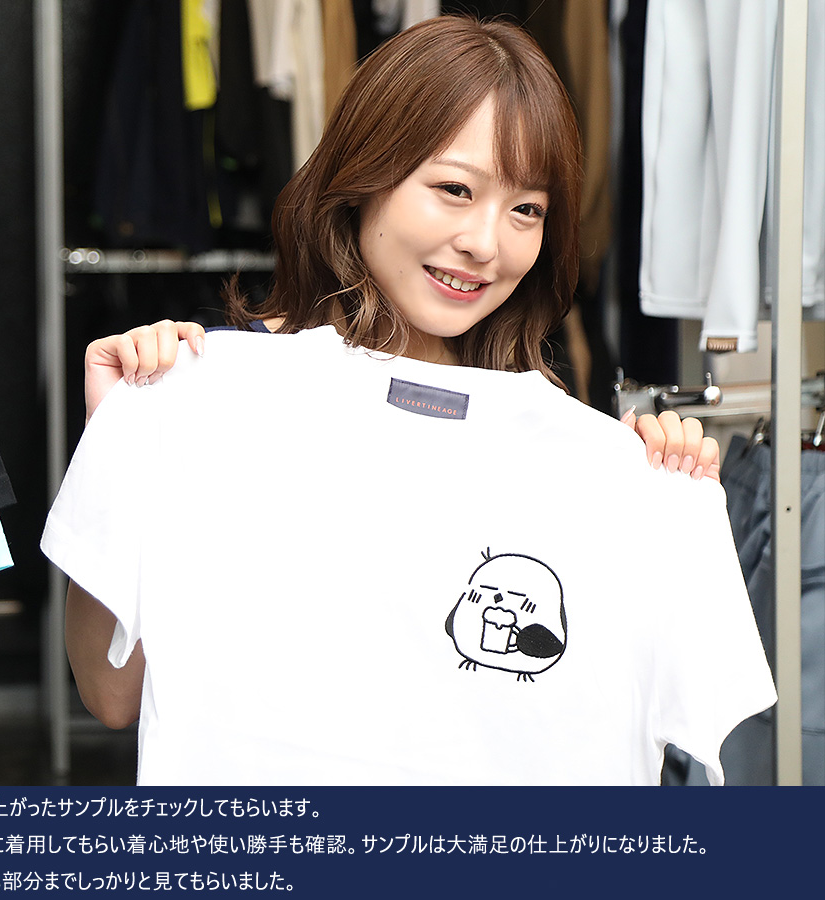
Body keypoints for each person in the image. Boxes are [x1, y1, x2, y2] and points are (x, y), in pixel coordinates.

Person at [43, 15, 774, 786]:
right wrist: (125, 450)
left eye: (527, 209)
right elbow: (112, 694)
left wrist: (663, 492)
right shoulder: (218, 402)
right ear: (364, 174)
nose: (486, 243)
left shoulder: (576, 461)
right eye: (455, 190)